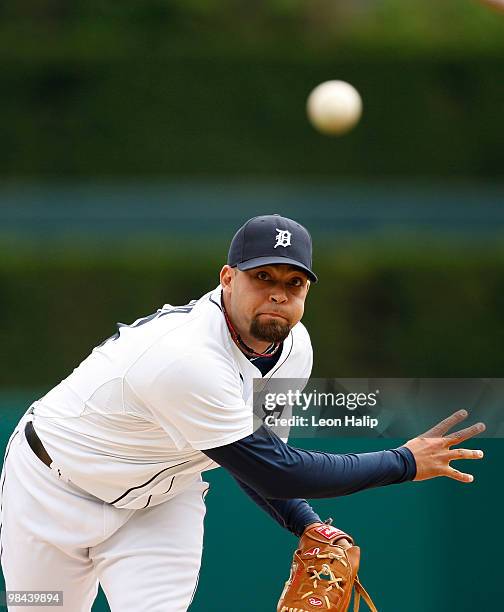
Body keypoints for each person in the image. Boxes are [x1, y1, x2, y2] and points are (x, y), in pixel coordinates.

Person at [0, 214, 485, 612]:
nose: (278, 293)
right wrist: (403, 461)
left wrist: (307, 524)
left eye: (294, 283)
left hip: (159, 501)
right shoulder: (185, 357)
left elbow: (264, 460)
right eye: (263, 277)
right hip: (48, 490)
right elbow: (274, 471)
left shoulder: (293, 349)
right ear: (227, 278)